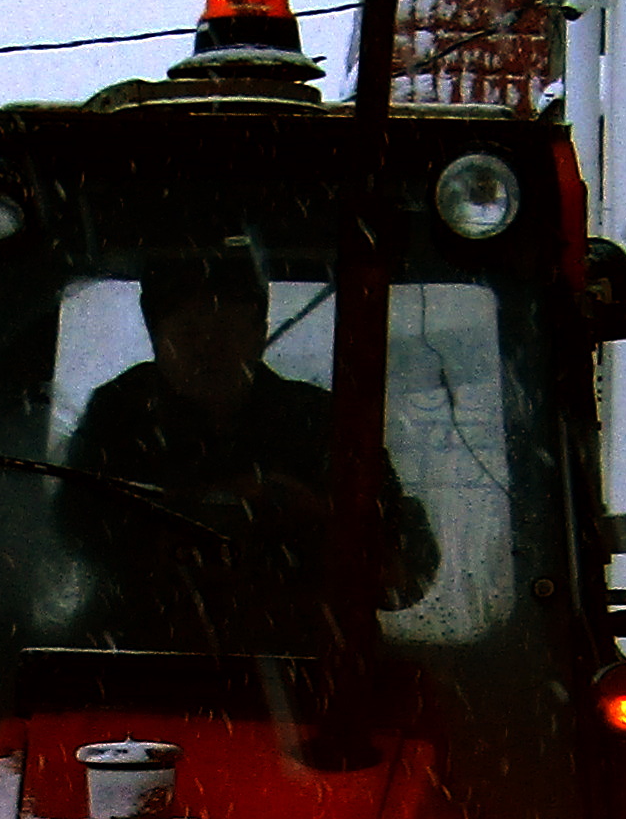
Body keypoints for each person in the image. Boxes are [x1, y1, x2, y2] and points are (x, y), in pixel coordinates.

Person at [59, 241, 431, 650]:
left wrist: (314, 517)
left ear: (260, 331)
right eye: (189, 332)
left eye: (227, 330)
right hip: (137, 656)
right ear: (155, 336)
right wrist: (195, 515)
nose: (208, 348)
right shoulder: (120, 413)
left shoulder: (321, 421)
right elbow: (80, 530)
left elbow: (401, 569)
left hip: (305, 661)